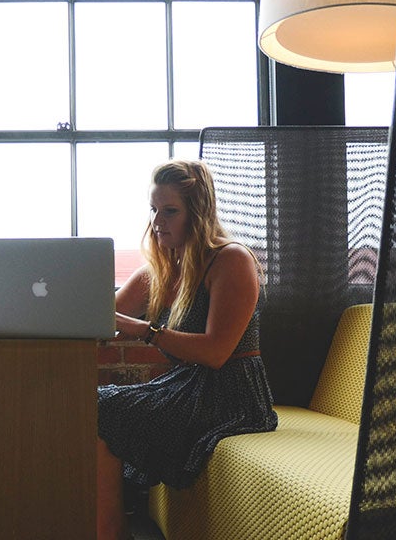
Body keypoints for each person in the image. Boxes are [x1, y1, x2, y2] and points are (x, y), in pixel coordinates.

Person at [96, 159, 278, 540]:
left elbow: (216, 352)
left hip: (231, 393)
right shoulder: (163, 266)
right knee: (92, 403)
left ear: (197, 214)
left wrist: (146, 331)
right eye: (154, 210)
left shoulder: (231, 260)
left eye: (170, 211)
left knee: (103, 408)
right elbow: (104, 314)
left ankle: (110, 530)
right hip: (186, 385)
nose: (157, 221)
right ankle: (107, 525)